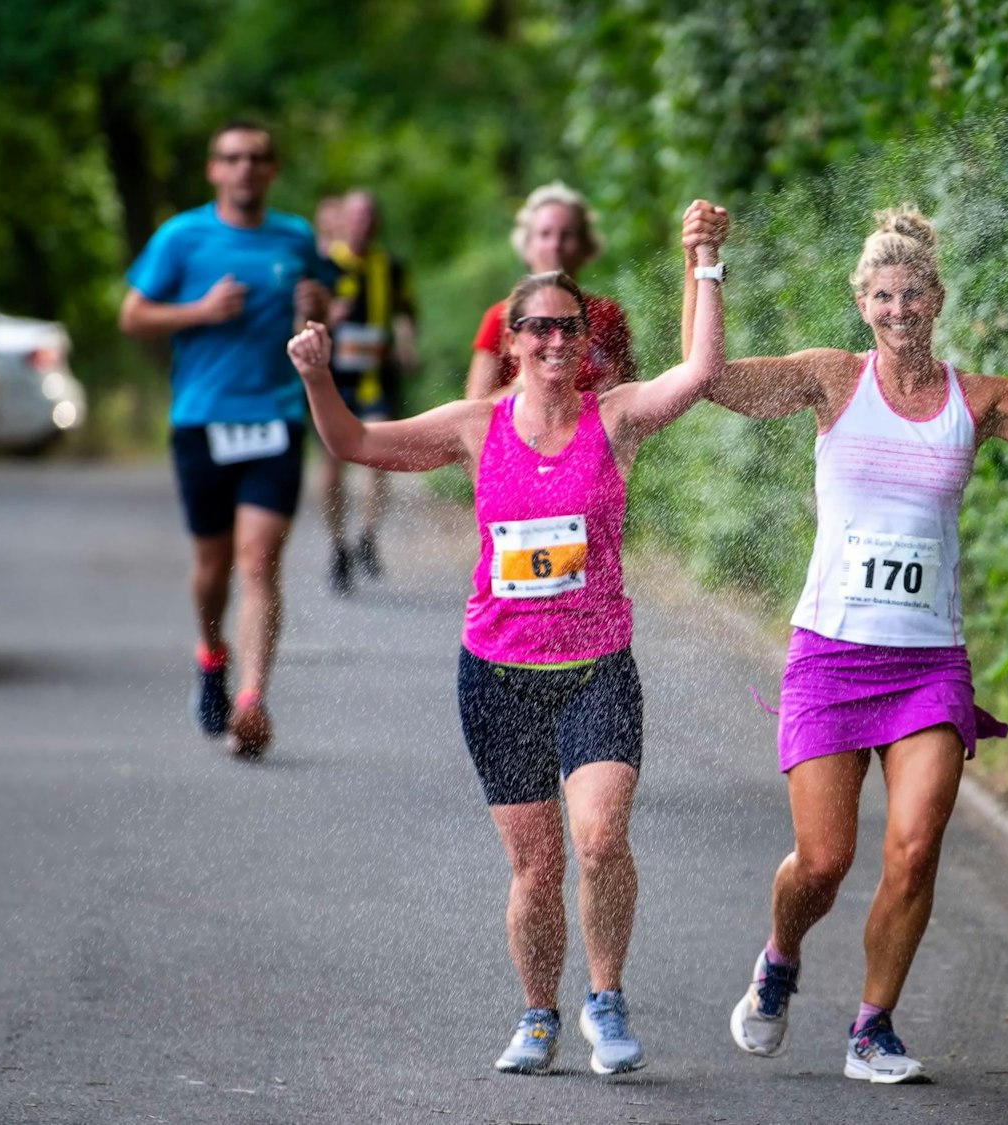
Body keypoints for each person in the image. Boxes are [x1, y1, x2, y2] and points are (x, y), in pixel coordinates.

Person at [287, 200, 729, 1077]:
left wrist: (705, 261)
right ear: (514, 338)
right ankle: (538, 1013)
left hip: (598, 666)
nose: (559, 343)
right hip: (498, 674)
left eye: (572, 330)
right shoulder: (472, 425)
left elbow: (701, 370)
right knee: (536, 863)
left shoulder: (618, 418)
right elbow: (355, 442)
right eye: (541, 329)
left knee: (599, 838)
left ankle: (606, 1000)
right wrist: (316, 374)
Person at [693, 205, 1008, 1082]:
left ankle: (872, 1026)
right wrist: (704, 266)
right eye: (882, 296)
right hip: (832, 655)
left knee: (915, 846)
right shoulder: (829, 380)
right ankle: (780, 958)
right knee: (824, 859)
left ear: (936, 300)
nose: (898, 310)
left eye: (913, 294)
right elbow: (714, 381)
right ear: (862, 304)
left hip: (927, 666)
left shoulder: (980, 399)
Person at [119, 120, 335, 758]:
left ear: (272, 170)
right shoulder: (182, 236)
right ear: (214, 169)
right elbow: (132, 316)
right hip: (201, 419)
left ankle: (252, 699)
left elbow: (323, 309)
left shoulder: (295, 237)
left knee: (258, 561)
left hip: (275, 418)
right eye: (232, 158)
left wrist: (318, 302)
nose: (244, 168)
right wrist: (199, 312)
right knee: (213, 567)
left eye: (257, 158)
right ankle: (212, 654)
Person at [321, 188, 419, 591]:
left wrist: (407, 345)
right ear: (342, 220)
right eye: (354, 215)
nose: (361, 222)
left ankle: (367, 533)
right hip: (332, 380)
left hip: (377, 379)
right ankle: (338, 544)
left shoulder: (391, 268)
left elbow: (406, 314)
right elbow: (299, 320)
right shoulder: (323, 265)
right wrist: (328, 315)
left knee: (377, 457)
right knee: (332, 467)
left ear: (376, 223)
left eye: (368, 215)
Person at [466, 182, 634, 399]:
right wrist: (525, 386)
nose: (555, 245)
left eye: (567, 235)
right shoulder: (500, 319)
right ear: (527, 246)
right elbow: (474, 412)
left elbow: (632, 399)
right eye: (545, 234)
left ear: (585, 246)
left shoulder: (608, 315)